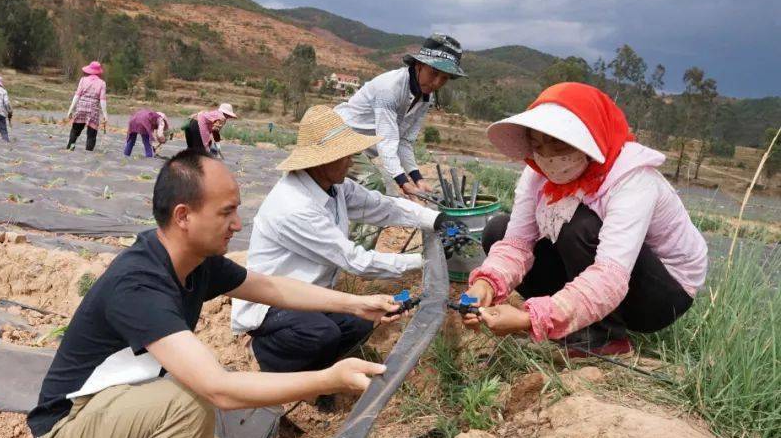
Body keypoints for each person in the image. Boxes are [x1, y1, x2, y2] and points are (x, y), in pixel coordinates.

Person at [28, 150, 400, 438]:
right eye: (227, 212)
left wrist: (356, 303)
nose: (238, 224)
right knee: (186, 397)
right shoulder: (139, 283)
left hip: (122, 411)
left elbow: (273, 290)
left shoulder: (195, 264)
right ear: (184, 215)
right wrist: (329, 378)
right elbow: (219, 389)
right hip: (68, 429)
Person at [461, 82, 708, 356]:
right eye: (538, 145)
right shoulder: (538, 172)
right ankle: (569, 320)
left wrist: (529, 319)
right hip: (598, 268)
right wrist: (485, 284)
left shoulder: (633, 178)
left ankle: (606, 337)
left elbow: (610, 276)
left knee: (577, 225)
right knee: (498, 229)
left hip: (659, 295)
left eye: (558, 143)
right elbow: (516, 244)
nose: (548, 157)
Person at [232, 105, 444, 374]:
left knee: (360, 323)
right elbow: (355, 261)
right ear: (323, 160)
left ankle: (321, 369)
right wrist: (425, 260)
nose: (351, 162)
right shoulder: (295, 206)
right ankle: (270, 358)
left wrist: (434, 219)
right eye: (345, 156)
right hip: (274, 303)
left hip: (314, 296)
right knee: (322, 334)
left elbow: (380, 206)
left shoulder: (334, 186)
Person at [334, 34, 466, 199]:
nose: (437, 83)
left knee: (354, 194)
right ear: (419, 65)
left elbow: (404, 141)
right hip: (340, 137)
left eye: (444, 78)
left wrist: (417, 179)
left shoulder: (425, 97)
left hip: (361, 149)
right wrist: (403, 182)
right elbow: (387, 140)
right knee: (373, 183)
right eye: (433, 73)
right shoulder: (390, 88)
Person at [65, 61, 107, 151]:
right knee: (91, 135)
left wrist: (70, 110)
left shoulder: (83, 80)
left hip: (81, 108)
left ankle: (70, 148)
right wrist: (105, 116)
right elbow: (103, 100)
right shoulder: (102, 83)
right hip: (93, 110)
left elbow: (77, 96)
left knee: (75, 131)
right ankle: (88, 154)